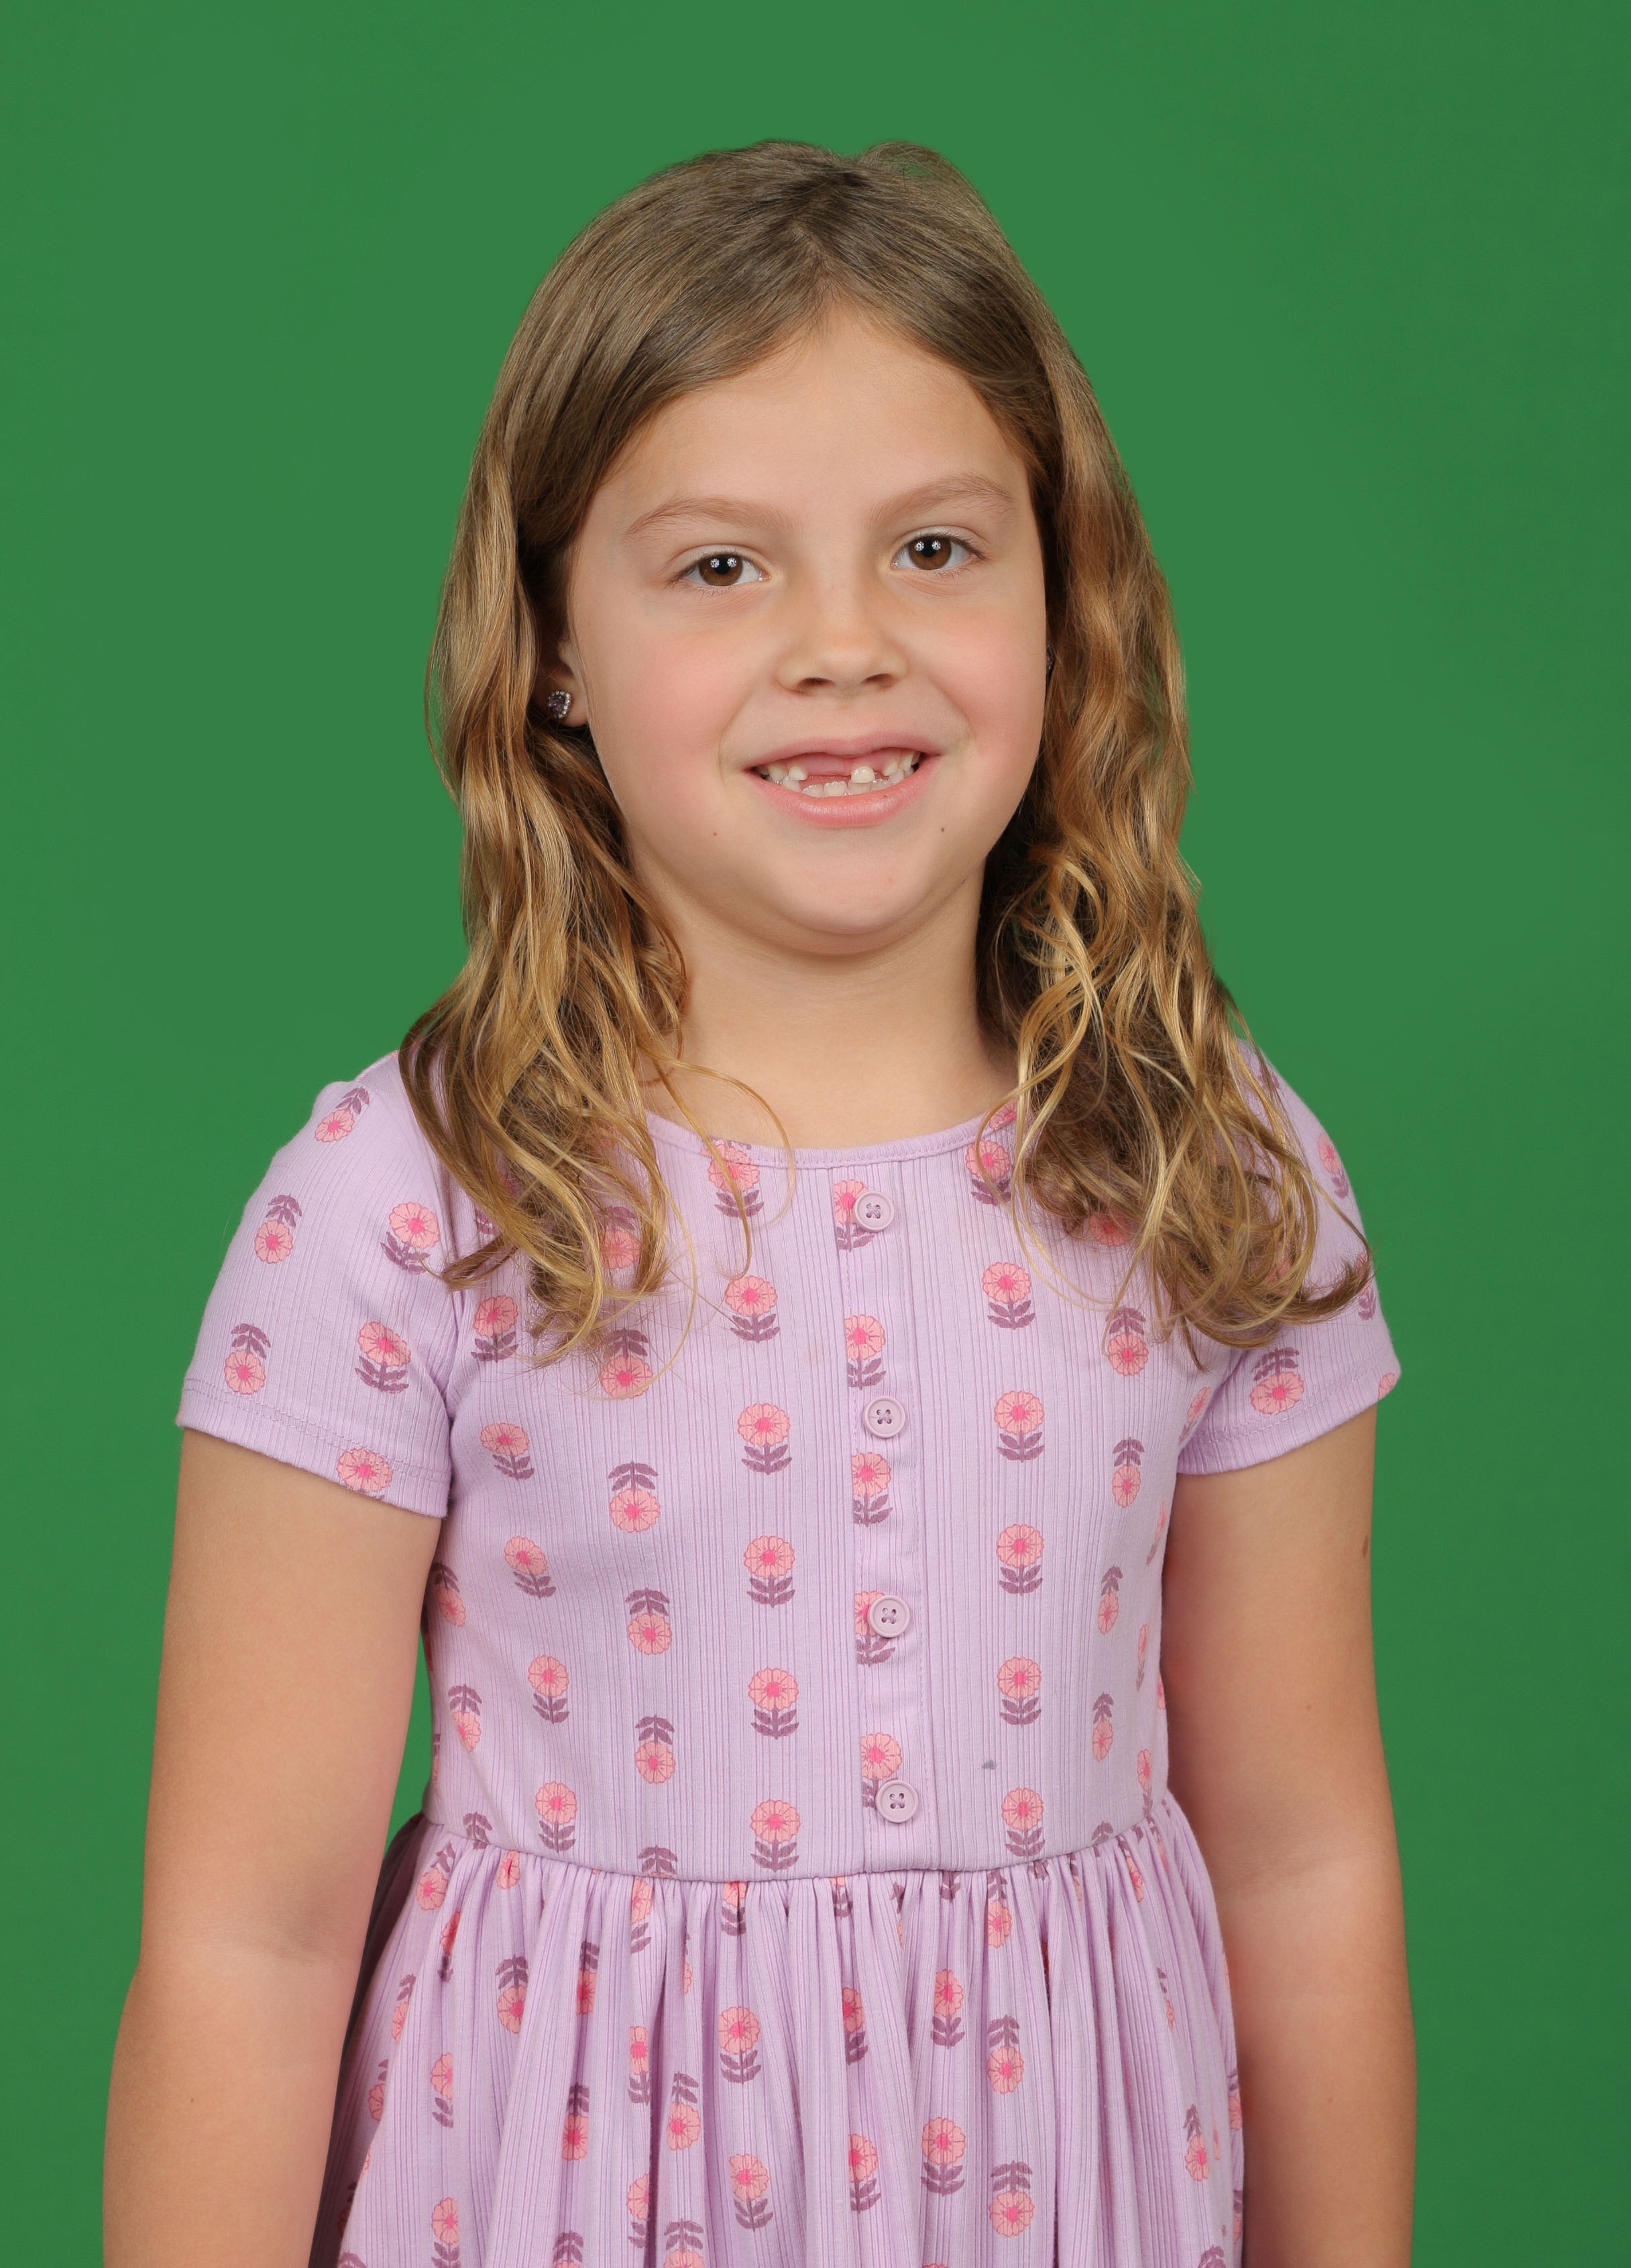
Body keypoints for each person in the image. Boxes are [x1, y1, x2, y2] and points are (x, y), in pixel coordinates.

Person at [105, 142, 1414, 2268]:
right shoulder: (410, 1202)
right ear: (553, 648)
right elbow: (249, 1940)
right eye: (721, 567)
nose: (843, 646)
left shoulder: (1209, 1162)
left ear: (1064, 604)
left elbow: (1299, 1856)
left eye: (935, 548)